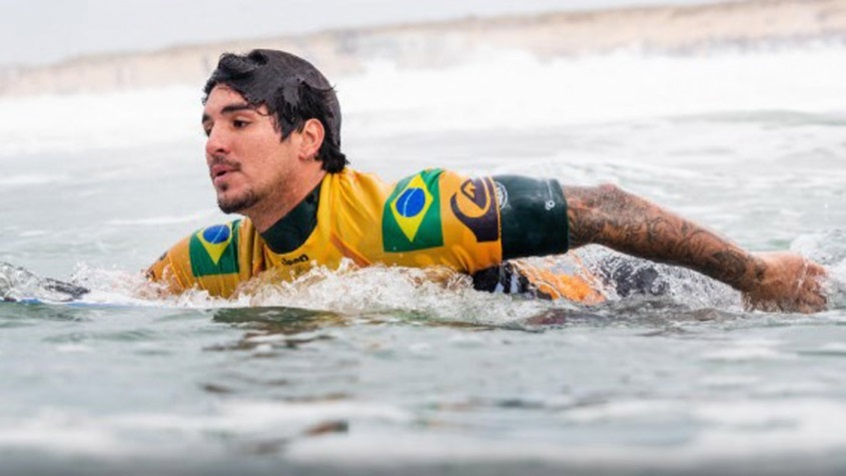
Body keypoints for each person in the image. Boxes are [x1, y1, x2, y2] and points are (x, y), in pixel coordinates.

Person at [146, 49, 828, 313]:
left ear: (308, 139)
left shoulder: (409, 220)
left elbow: (601, 206)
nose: (214, 143)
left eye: (239, 122)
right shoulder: (222, 257)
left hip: (618, 307)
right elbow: (112, 297)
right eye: (207, 126)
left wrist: (754, 275)